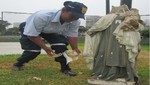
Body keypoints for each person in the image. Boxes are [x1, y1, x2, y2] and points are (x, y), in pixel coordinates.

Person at [12, 1, 87, 76]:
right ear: (63, 10)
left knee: (61, 46)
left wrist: (75, 48)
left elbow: (72, 35)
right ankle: (18, 64)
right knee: (34, 50)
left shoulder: (75, 21)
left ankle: (65, 69)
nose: (74, 19)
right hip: (31, 28)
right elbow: (32, 35)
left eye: (77, 17)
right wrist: (45, 48)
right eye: (72, 15)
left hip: (50, 30)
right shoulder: (42, 16)